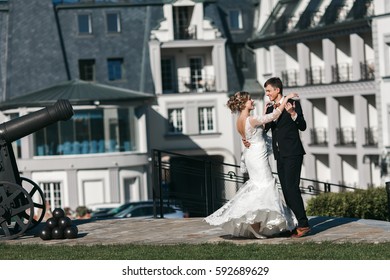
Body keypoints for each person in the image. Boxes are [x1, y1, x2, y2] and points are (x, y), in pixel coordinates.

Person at [204, 90, 299, 239]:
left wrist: (263, 111)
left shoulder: (240, 120)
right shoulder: (251, 119)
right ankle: (256, 223)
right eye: (250, 100)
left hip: (251, 155)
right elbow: (273, 116)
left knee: (258, 186)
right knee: (265, 186)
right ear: (243, 104)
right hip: (257, 157)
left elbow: (254, 130)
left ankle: (255, 224)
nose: (252, 101)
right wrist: (286, 98)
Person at [261, 77, 310, 238]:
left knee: (292, 188)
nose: (267, 94)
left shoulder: (294, 103)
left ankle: (303, 224)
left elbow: (302, 126)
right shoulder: (270, 108)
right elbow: (265, 128)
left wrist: (293, 113)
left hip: (293, 152)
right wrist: (264, 112)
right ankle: (294, 223)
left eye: (268, 90)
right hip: (279, 154)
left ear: (277, 90)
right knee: (286, 190)